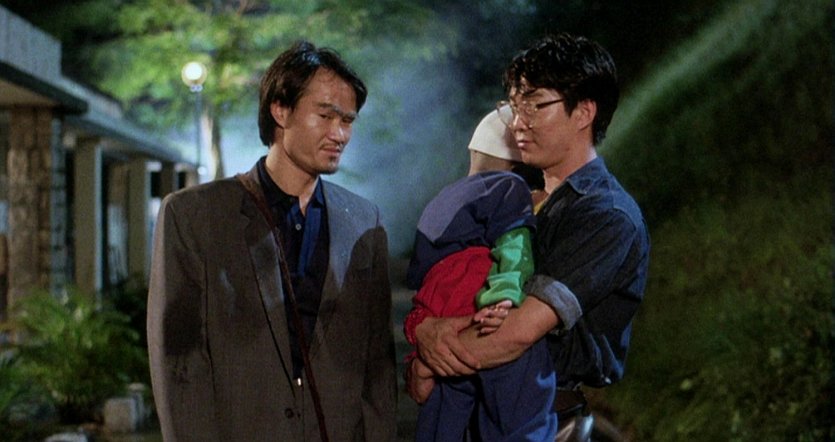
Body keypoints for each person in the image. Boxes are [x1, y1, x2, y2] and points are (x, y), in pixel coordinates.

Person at [148, 41, 396, 441]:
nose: (339, 134)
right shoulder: (195, 215)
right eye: (325, 115)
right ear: (280, 110)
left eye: (347, 120)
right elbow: (179, 363)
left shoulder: (363, 221)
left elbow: (377, 366)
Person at [408, 32, 651, 442]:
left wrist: (427, 361)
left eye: (535, 106)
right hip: (471, 414)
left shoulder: (605, 214)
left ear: (583, 112)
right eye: (514, 107)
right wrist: (424, 331)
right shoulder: (515, 200)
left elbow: (518, 332)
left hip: (542, 423)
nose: (519, 122)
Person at [403, 109, 557, 441]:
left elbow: (421, 276)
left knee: (443, 415)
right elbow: (514, 246)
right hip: (477, 301)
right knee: (520, 404)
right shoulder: (510, 187)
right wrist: (504, 296)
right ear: (518, 164)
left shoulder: (443, 200)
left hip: (438, 305)